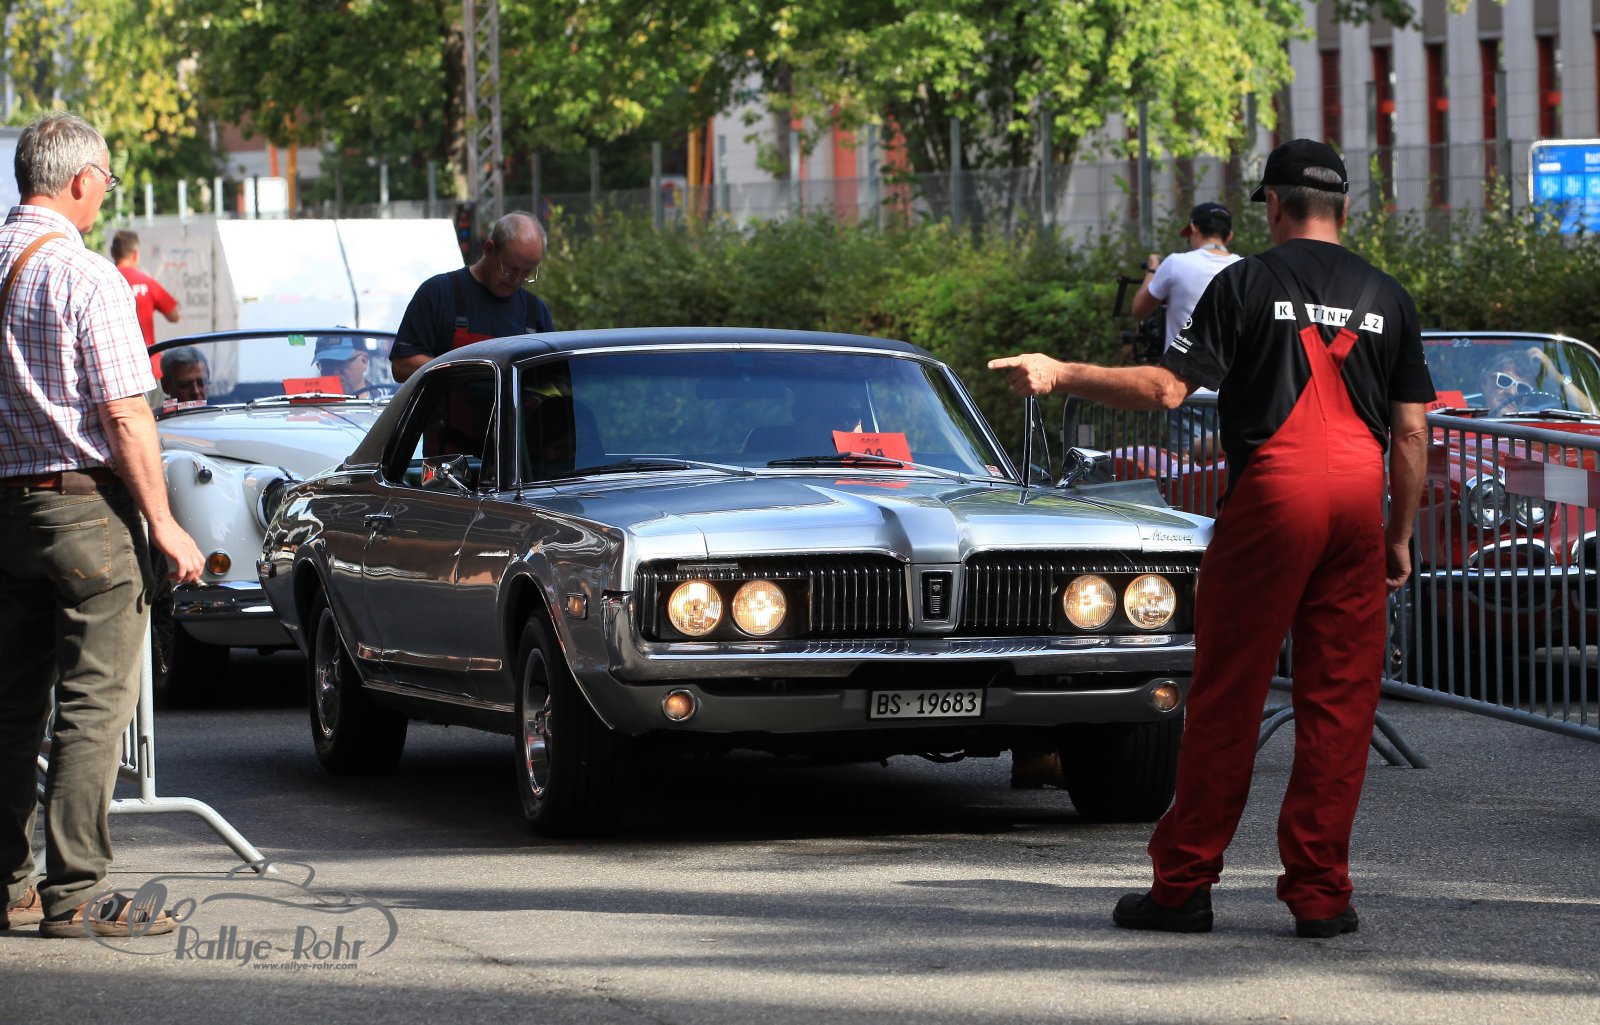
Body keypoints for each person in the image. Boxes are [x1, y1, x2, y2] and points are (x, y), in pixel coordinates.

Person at [989, 139, 1435, 938]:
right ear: (1344, 208)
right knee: (1339, 704)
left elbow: (1166, 389)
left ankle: (1184, 885)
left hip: (1273, 499)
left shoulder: (1246, 282)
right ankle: (1321, 895)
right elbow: (1410, 434)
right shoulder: (1389, 296)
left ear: (1274, 204)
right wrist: (1397, 532)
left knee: (1229, 694)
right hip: (1356, 506)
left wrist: (1062, 372)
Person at [0, 112, 203, 939]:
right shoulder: (87, 276)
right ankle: (76, 890)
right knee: (92, 703)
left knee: (11, 703)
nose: (105, 194)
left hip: (7, 509)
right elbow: (125, 414)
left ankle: (9, 881)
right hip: (87, 511)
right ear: (82, 179)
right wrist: (165, 522)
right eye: (108, 180)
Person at [390, 211, 554, 383]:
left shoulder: (536, 313)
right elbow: (402, 366)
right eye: (510, 269)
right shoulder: (438, 293)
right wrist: (467, 373)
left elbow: (555, 377)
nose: (516, 279)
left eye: (527, 273)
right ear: (489, 249)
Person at [1133, 201, 1240, 462]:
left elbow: (1139, 310)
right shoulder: (1245, 268)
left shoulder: (1175, 264)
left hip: (1185, 391)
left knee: (1185, 475)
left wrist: (1153, 269)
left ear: (1193, 229)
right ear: (1229, 235)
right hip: (1231, 394)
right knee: (1224, 475)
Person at [110, 229, 180, 379]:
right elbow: (174, 316)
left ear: (113, 253)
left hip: (116, 369)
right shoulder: (146, 282)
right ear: (135, 254)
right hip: (148, 365)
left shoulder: (104, 281)